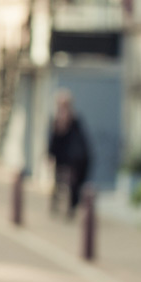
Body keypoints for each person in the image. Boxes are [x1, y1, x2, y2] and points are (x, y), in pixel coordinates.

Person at [48, 90, 91, 218]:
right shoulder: (56, 121)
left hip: (73, 160)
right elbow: (53, 140)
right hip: (61, 159)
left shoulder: (75, 120)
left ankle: (71, 207)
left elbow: (81, 141)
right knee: (58, 183)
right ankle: (56, 205)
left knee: (72, 184)